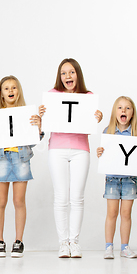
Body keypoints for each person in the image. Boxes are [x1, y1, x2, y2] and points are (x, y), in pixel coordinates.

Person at [39, 58, 103, 258]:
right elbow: (43, 126)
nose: (68, 76)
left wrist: (96, 118)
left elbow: (89, 128)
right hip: (57, 149)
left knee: (77, 197)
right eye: (64, 73)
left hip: (80, 149)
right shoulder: (52, 96)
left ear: (78, 74)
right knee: (61, 198)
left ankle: (74, 241)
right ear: (60, 77)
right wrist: (41, 116)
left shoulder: (88, 96)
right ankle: (63, 243)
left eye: (72, 72)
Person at [0, 76, 43, 258]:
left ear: (18, 91)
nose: (10, 91)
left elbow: (34, 141)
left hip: (21, 157)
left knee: (19, 201)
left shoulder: (27, 113)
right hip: (1, 158)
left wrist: (38, 128)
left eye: (14, 87)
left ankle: (18, 241)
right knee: (0, 201)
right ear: (1, 93)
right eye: (6, 88)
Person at [97, 96, 137, 259]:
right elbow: (104, 154)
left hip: (130, 179)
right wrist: (100, 153)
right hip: (112, 179)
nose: (123, 110)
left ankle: (125, 247)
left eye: (127, 108)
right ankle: (108, 247)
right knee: (111, 213)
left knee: (126, 213)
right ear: (115, 112)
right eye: (120, 108)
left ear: (132, 114)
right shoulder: (107, 131)